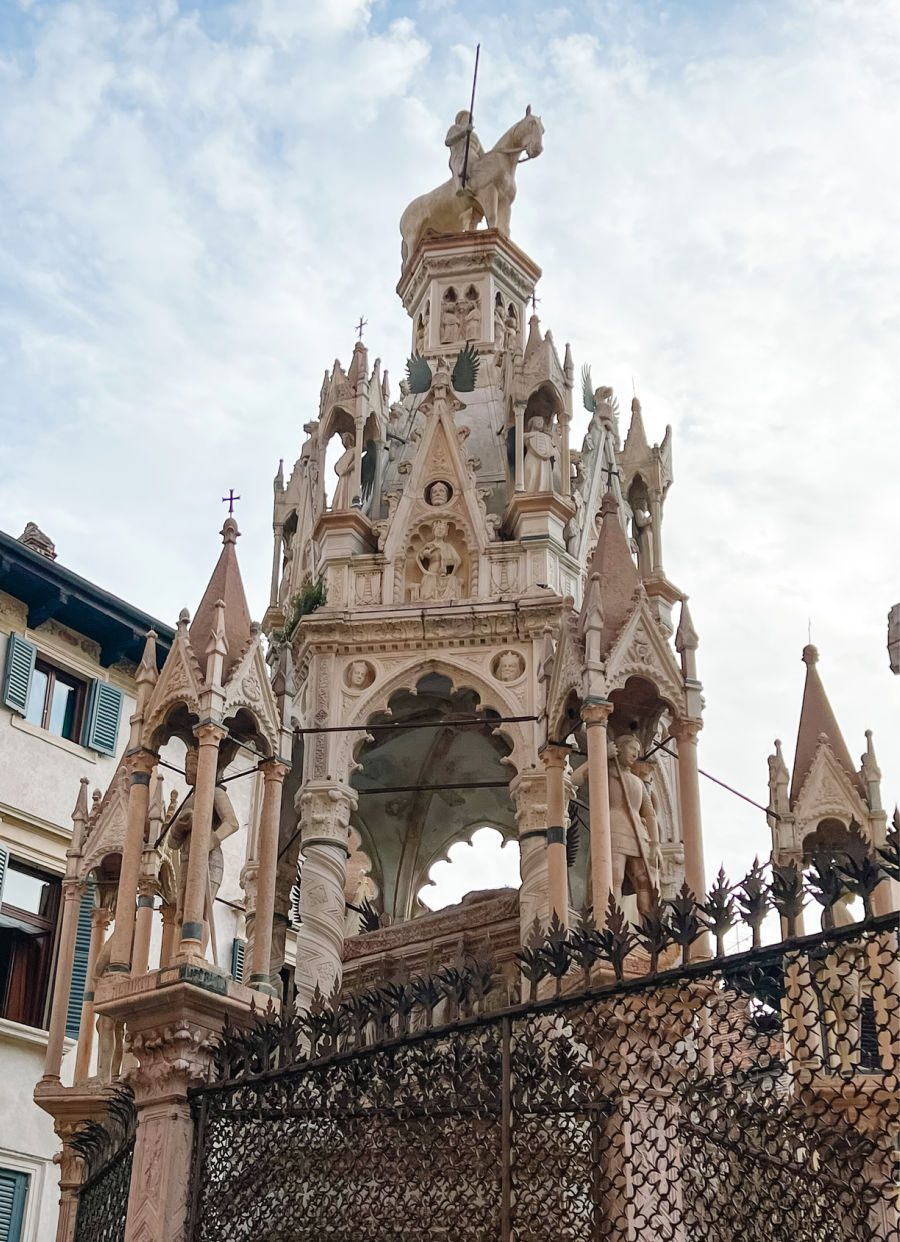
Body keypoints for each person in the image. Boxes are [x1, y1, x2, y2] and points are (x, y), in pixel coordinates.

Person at [445, 110, 484, 191]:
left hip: (474, 157)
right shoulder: (455, 128)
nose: (469, 120)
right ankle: (461, 186)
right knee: (462, 164)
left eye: (471, 119)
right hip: (459, 156)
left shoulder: (474, 135)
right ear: (460, 119)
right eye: (467, 118)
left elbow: (482, 153)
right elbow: (448, 142)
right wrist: (464, 132)